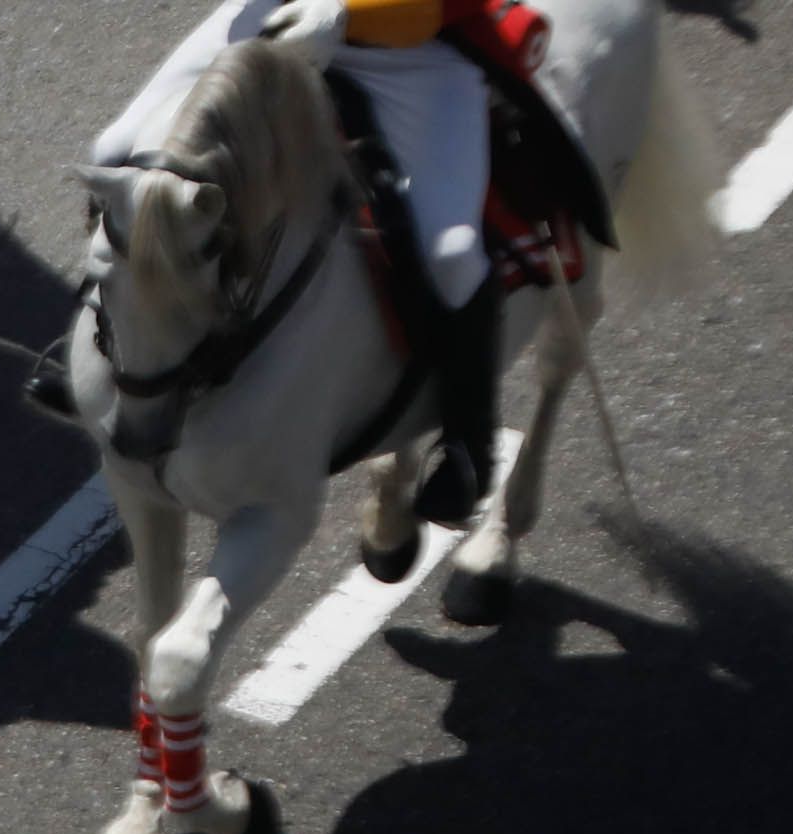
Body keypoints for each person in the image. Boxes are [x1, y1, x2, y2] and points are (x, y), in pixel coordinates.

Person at [88, 0, 542, 526]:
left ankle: (469, 447)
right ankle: (102, 328)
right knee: (114, 152)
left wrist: (348, 14)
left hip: (407, 51)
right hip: (271, 19)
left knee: (452, 254)